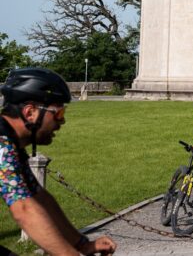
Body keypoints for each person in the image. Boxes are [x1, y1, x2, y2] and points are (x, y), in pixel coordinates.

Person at [0, 68, 117, 256]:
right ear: (30, 112)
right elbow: (24, 210)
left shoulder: (11, 144)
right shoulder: (2, 145)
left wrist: (81, 244)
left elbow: (39, 197)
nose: (62, 122)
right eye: (59, 113)